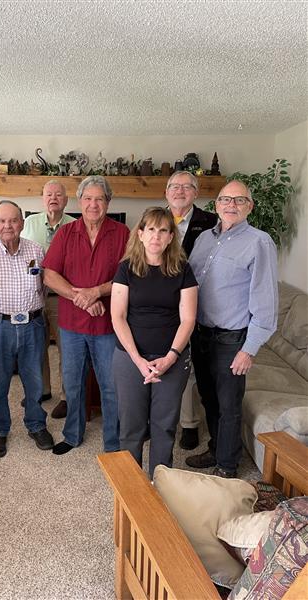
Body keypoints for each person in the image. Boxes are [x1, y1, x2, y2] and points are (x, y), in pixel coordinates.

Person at [186, 180, 278, 478]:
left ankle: (227, 466)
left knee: (229, 405)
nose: (231, 205)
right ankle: (217, 449)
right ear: (216, 205)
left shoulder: (259, 242)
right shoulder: (204, 239)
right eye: (225, 199)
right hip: (201, 334)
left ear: (250, 206)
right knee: (208, 398)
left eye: (239, 200)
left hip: (231, 339)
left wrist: (248, 350)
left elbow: (266, 302)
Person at [43, 176, 129, 455]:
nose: (93, 204)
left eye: (99, 199)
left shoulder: (123, 233)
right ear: (80, 202)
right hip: (72, 325)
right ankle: (72, 435)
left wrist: (97, 292)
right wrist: (81, 298)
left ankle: (113, 443)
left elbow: (130, 276)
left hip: (108, 325)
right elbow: (49, 275)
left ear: (108, 202)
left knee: (111, 386)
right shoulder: (66, 233)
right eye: (88, 198)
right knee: (73, 383)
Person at [111, 207, 198, 479]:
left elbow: (188, 320)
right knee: (131, 426)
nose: (156, 236)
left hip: (172, 358)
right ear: (140, 234)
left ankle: (160, 485)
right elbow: (118, 316)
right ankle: (131, 487)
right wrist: (138, 361)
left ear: (171, 237)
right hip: (130, 358)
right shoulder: (126, 269)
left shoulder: (183, 270)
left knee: (164, 426)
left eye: (163, 231)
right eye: (150, 229)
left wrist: (170, 358)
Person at [0, 200, 54, 459]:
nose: (8, 225)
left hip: (33, 325)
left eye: (13, 220)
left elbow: (44, 287)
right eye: (2, 221)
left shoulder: (37, 251)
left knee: (35, 380)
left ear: (22, 223)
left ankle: (36, 424)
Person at [165, 171, 218, 451]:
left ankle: (189, 424)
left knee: (191, 365)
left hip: (199, 303)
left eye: (187, 187)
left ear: (196, 193)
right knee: (162, 359)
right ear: (166, 192)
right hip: (162, 304)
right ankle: (159, 420)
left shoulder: (211, 222)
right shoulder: (155, 219)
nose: (180, 191)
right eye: (174, 186)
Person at [21, 180, 75, 419]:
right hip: (33, 294)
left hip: (61, 296)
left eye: (58, 194)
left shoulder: (75, 225)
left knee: (66, 347)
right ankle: (42, 389)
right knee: (36, 346)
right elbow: (23, 255)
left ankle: (66, 397)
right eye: (49, 194)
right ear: (42, 198)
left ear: (66, 199)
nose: (53, 198)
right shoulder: (29, 223)